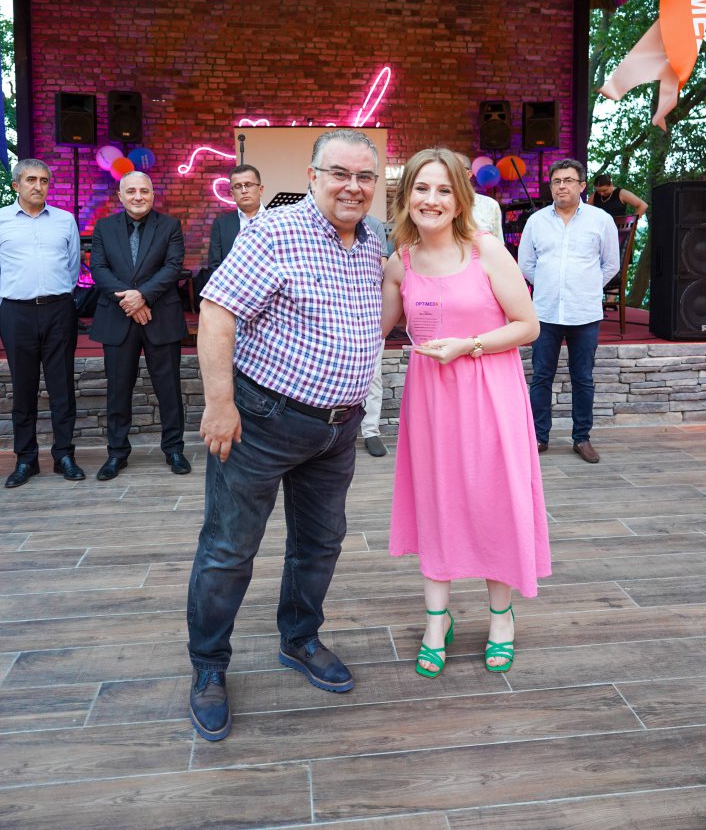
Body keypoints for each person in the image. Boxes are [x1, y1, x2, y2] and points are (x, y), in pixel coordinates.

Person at [187, 128, 383, 742]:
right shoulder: (274, 232)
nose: (353, 186)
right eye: (340, 173)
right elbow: (217, 311)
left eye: (365, 177)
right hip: (262, 421)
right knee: (229, 548)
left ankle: (299, 639)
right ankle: (208, 667)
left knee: (321, 543)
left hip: (338, 429)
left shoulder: (372, 240)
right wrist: (219, 403)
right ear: (313, 175)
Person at [382, 147, 549, 679]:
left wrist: (468, 345)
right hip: (431, 402)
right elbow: (373, 329)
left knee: (493, 502)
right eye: (421, 188)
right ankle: (437, 620)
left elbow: (528, 325)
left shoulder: (487, 251)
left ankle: (501, 618)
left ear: (459, 200)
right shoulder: (400, 262)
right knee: (437, 503)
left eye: (443, 190)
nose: (431, 199)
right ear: (406, 196)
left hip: (490, 395)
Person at [89, 171, 190, 480]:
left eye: (144, 191)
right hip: (118, 317)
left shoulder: (170, 226)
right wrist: (130, 301)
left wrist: (142, 296)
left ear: (152, 195)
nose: (138, 196)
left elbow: (173, 266)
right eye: (131, 191)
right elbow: (98, 268)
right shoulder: (104, 227)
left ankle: (174, 449)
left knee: (169, 389)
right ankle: (117, 453)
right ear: (120, 196)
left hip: (161, 317)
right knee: (118, 390)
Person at [518, 158, 620, 465]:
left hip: (584, 312)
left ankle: (582, 438)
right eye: (556, 181)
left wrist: (587, 286)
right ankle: (539, 437)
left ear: (582, 185)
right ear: (551, 187)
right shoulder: (537, 221)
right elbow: (526, 264)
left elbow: (611, 264)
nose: (562, 186)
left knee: (583, 378)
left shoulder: (600, 220)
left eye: (568, 180)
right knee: (541, 376)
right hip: (545, 311)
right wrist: (549, 284)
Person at [0, 158, 85, 488]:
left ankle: (64, 455)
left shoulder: (64, 220)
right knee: (23, 388)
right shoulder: (1, 220)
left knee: (62, 386)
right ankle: (26, 459)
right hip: (16, 312)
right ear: (16, 185)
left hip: (58, 311)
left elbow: (73, 267)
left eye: (44, 180)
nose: (38, 186)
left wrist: (58, 296)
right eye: (31, 180)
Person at [361, 213, 389, 457]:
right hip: (329, 313)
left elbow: (384, 267)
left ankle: (371, 431)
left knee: (374, 376)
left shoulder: (374, 226)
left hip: (370, 313)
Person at [208, 164, 266, 272]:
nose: (244, 191)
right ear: (232, 194)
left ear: (261, 189)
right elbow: (214, 266)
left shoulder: (276, 219)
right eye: (238, 186)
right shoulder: (221, 224)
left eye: (248, 185)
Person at [454, 152, 504, 242]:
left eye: (455, 168)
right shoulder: (435, 203)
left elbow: (498, 243)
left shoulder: (489, 205)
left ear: (468, 174)